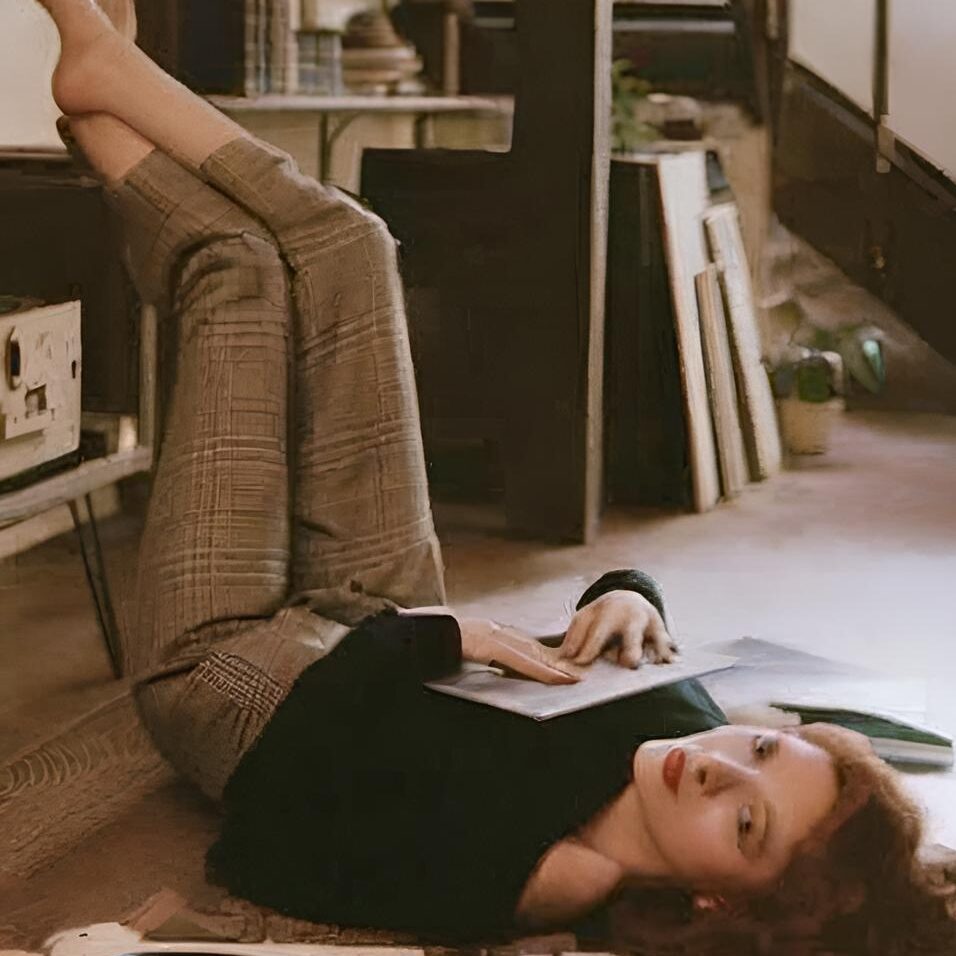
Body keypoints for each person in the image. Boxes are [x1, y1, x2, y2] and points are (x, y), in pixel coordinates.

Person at [34, 2, 955, 952]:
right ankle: (107, 78)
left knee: (240, 271)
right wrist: (629, 598)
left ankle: (106, 81)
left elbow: (265, 849)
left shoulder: (546, 877)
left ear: (723, 905)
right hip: (386, 614)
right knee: (352, 245)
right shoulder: (680, 737)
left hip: (237, 678)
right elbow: (606, 630)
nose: (719, 768)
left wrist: (432, 641)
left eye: (746, 823)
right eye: (760, 747)